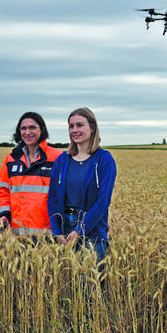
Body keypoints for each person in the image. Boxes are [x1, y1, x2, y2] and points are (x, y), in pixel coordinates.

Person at [47, 107, 117, 267]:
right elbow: (52, 198)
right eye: (71, 126)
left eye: (79, 125)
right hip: (63, 231)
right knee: (66, 286)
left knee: (88, 288)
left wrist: (79, 231)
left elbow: (102, 203)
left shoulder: (104, 160)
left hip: (92, 233)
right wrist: (57, 232)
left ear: (92, 128)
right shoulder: (62, 160)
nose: (74, 130)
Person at [0, 112, 62, 235]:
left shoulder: (57, 158)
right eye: (23, 128)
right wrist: (3, 215)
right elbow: (2, 192)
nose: (27, 132)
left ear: (42, 129)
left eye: (32, 127)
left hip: (48, 236)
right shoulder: (10, 159)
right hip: (16, 236)